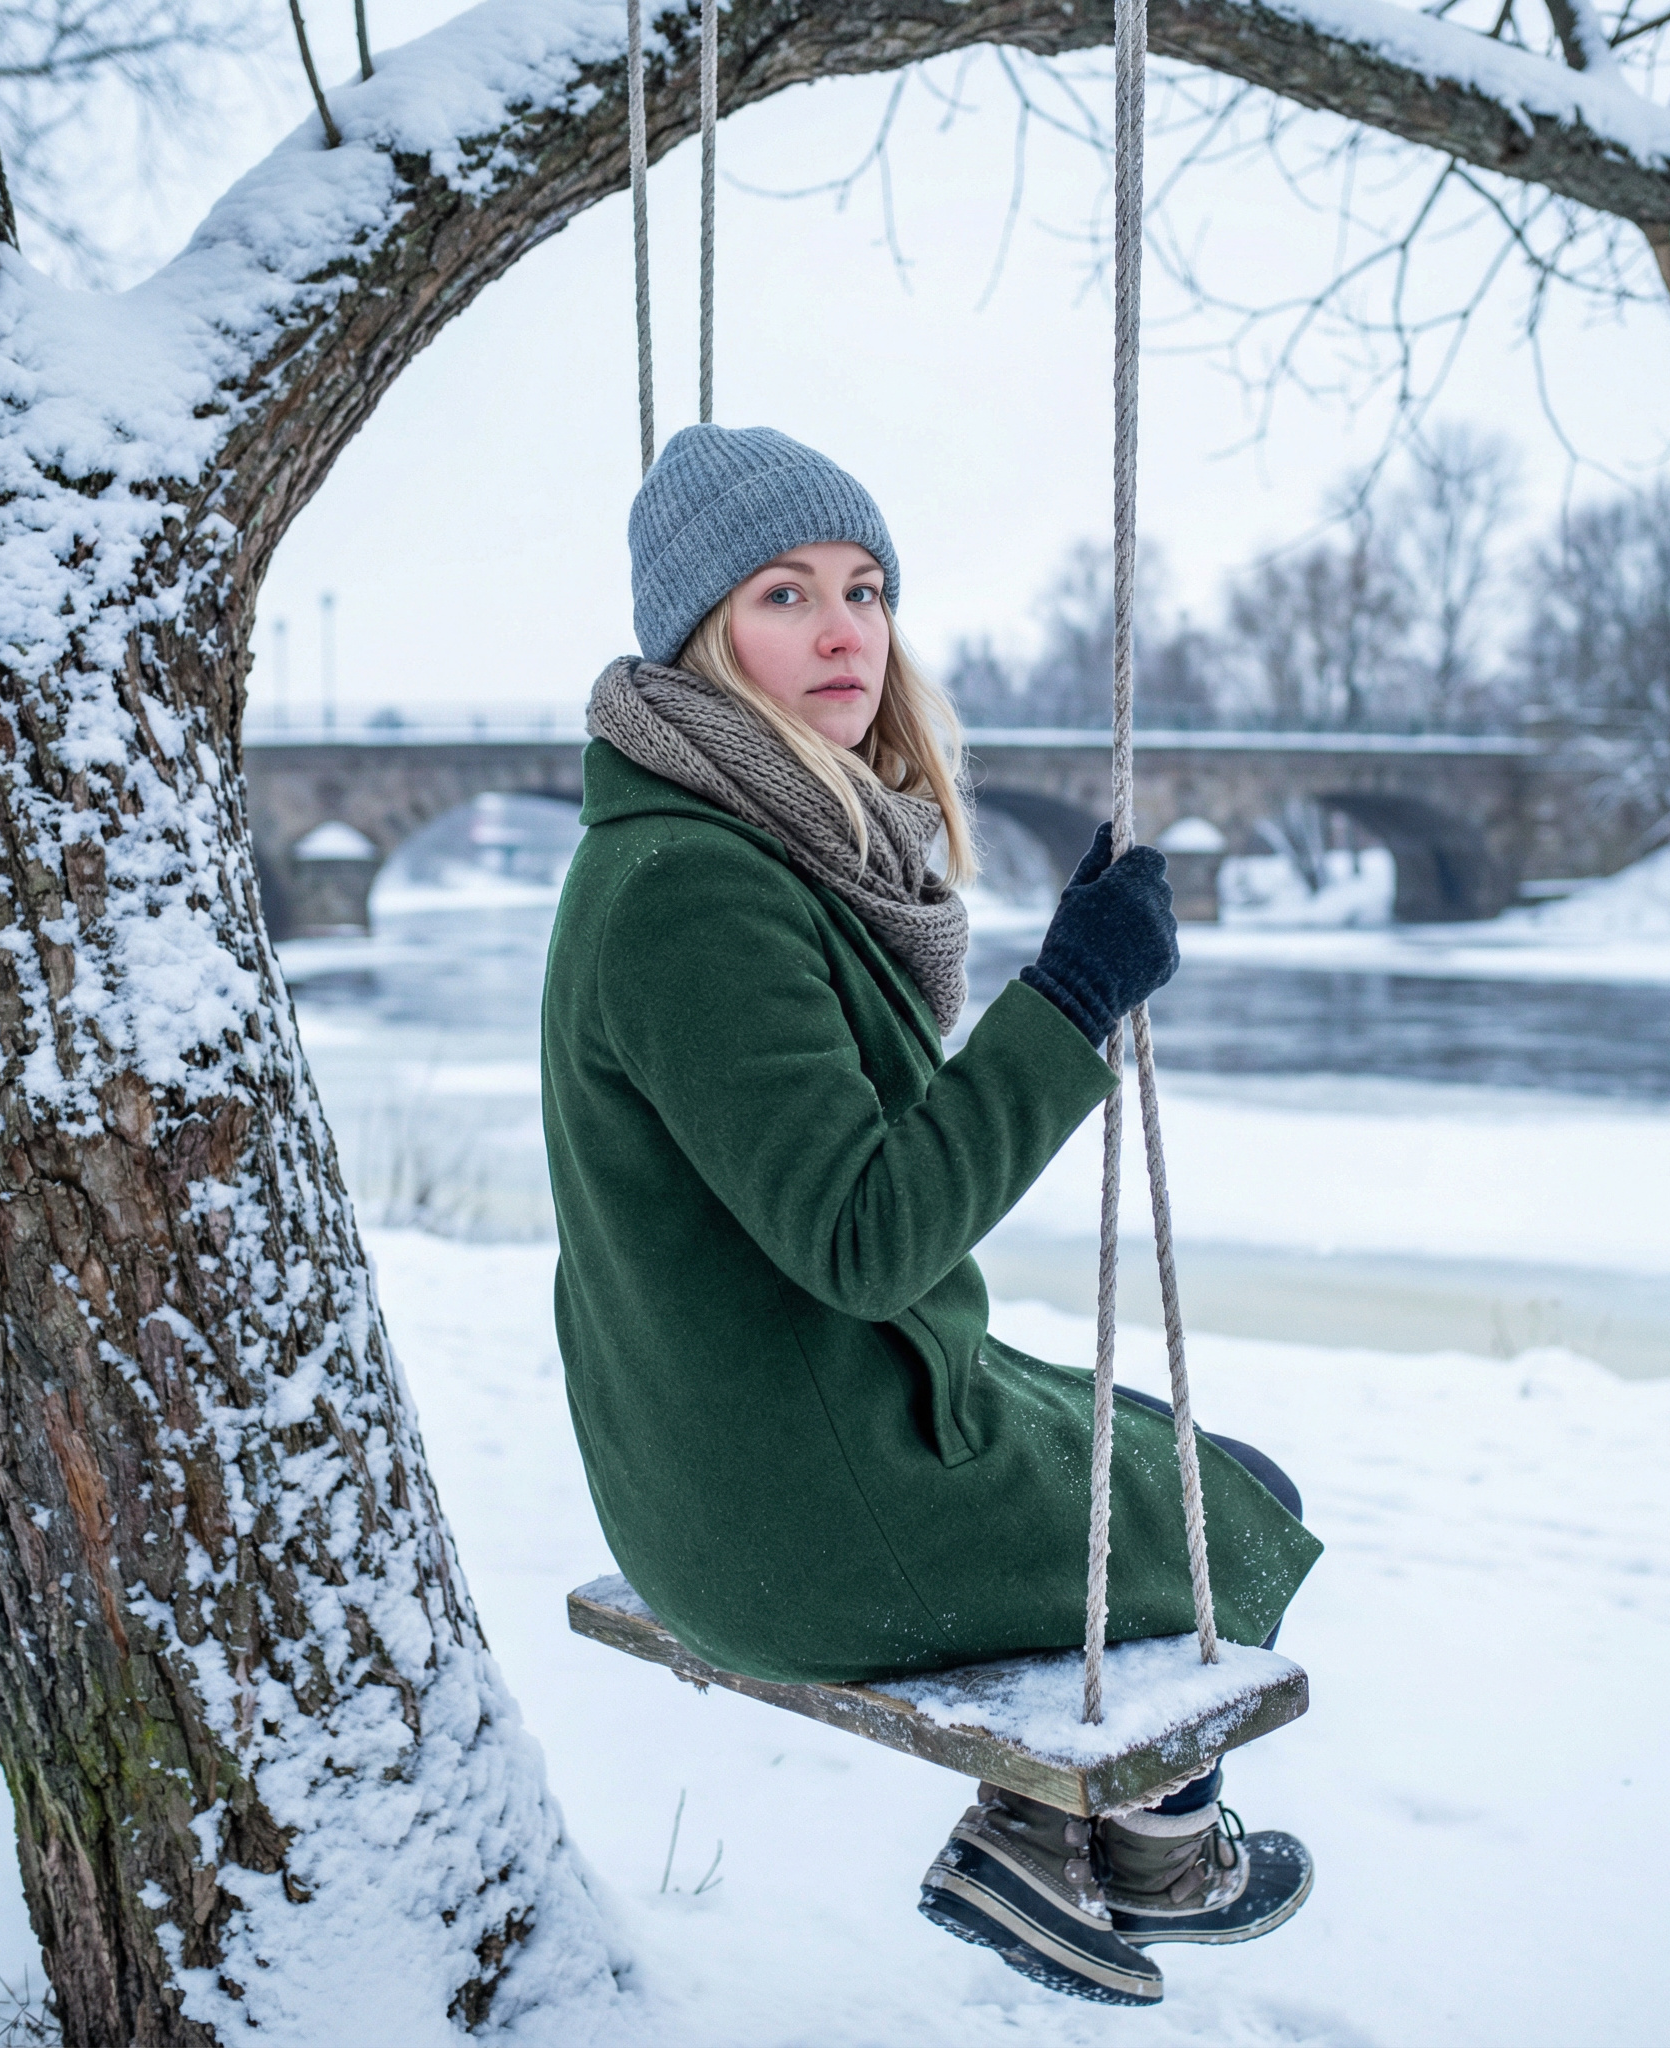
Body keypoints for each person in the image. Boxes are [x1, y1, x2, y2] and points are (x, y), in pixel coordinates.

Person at [543, 424, 1324, 2006]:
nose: (845, 633)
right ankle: (1048, 1842)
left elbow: (832, 1180)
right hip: (790, 1512)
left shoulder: (740, 847)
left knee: (1174, 1456)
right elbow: (870, 1234)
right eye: (784, 595)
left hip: (763, 1439)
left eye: (864, 587)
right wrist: (1073, 1001)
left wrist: (1054, 996)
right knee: (1233, 1508)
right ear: (702, 638)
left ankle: (1131, 1850)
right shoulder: (696, 889)